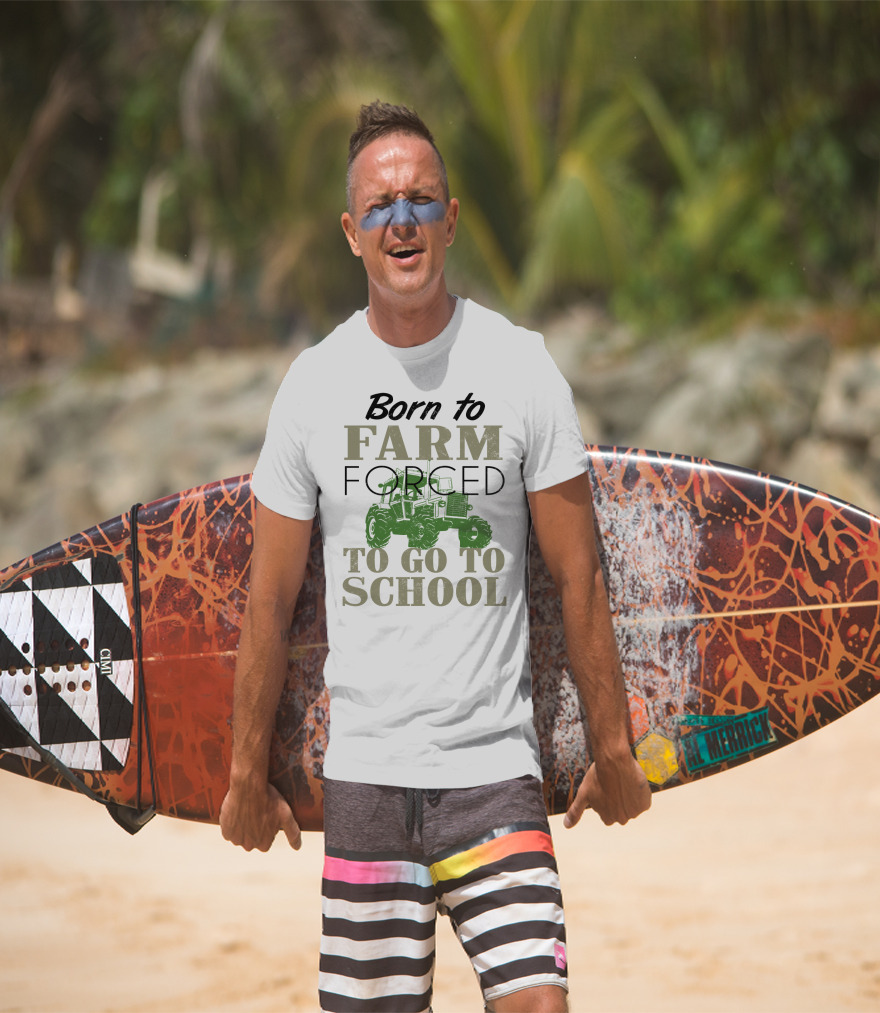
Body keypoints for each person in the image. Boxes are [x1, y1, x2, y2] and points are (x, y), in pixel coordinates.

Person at [220, 100, 651, 1013]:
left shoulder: (521, 368)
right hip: (368, 778)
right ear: (351, 232)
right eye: (380, 206)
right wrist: (242, 772)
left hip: (495, 772)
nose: (402, 220)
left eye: (421, 200)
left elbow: (579, 575)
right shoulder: (314, 387)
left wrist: (612, 746)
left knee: (540, 1003)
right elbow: (269, 600)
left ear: (451, 219)